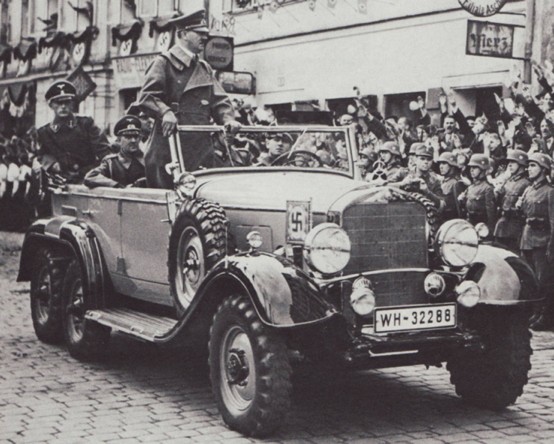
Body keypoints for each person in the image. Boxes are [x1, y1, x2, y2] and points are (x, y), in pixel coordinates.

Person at [132, 9, 240, 188]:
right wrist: (165, 111)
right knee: (168, 204)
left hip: (200, 149)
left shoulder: (204, 68)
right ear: (183, 34)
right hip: (168, 146)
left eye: (205, 34)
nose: (204, 38)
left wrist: (229, 120)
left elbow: (220, 100)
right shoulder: (164, 63)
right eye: (199, 33)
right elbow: (146, 96)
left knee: (200, 200)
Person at [36, 80, 111, 183]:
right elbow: (42, 155)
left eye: (66, 102)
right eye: (58, 103)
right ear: (51, 105)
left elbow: (103, 151)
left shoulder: (86, 124)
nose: (63, 106)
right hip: (61, 181)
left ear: (72, 104)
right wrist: (52, 164)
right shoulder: (45, 132)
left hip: (89, 178)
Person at [519, 152, 554, 330]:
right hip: (528, 238)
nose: (529, 169)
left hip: (543, 240)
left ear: (543, 169)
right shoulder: (529, 189)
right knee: (530, 278)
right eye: (529, 165)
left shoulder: (550, 192)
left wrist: (551, 246)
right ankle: (536, 312)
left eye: (533, 165)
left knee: (544, 280)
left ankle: (545, 315)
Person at [84, 115, 146, 188]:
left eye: (136, 137)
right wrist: (117, 185)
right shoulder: (111, 162)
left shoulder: (146, 161)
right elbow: (90, 177)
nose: (133, 140)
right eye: (128, 137)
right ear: (119, 140)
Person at [494, 149, 530, 251]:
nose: (509, 165)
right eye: (509, 162)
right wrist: (498, 194)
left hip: (514, 228)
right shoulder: (509, 180)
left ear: (522, 164)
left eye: (513, 162)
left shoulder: (526, 183)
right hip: (502, 225)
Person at [459, 154, 497, 236]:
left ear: (483, 169)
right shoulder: (471, 187)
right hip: (469, 224)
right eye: (471, 168)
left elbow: (491, 212)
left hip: (481, 227)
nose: (471, 170)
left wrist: (489, 231)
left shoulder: (488, 188)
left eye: (475, 168)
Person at [397, 144, 444, 209]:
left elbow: (442, 205)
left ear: (432, 161)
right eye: (422, 159)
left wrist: (428, 192)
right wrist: (401, 184)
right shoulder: (403, 173)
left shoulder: (435, 181)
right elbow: (385, 187)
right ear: (415, 160)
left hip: (424, 215)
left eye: (429, 159)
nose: (426, 162)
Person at [437, 152, 466, 221]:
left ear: (452, 166)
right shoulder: (442, 181)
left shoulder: (456, 183)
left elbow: (459, 209)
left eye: (444, 163)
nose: (441, 166)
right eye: (440, 163)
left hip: (451, 220)